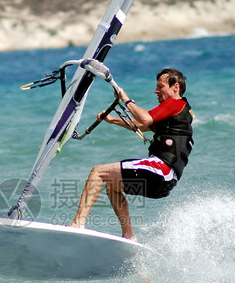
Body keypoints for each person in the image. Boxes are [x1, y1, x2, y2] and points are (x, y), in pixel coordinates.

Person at [68, 68, 194, 240]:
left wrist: (125, 98)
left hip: (160, 169)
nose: (156, 91)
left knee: (98, 172)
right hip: (165, 183)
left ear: (176, 87)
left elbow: (145, 119)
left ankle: (77, 223)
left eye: (160, 86)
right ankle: (129, 236)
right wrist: (112, 120)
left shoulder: (175, 103)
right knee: (112, 186)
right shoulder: (177, 115)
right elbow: (141, 126)